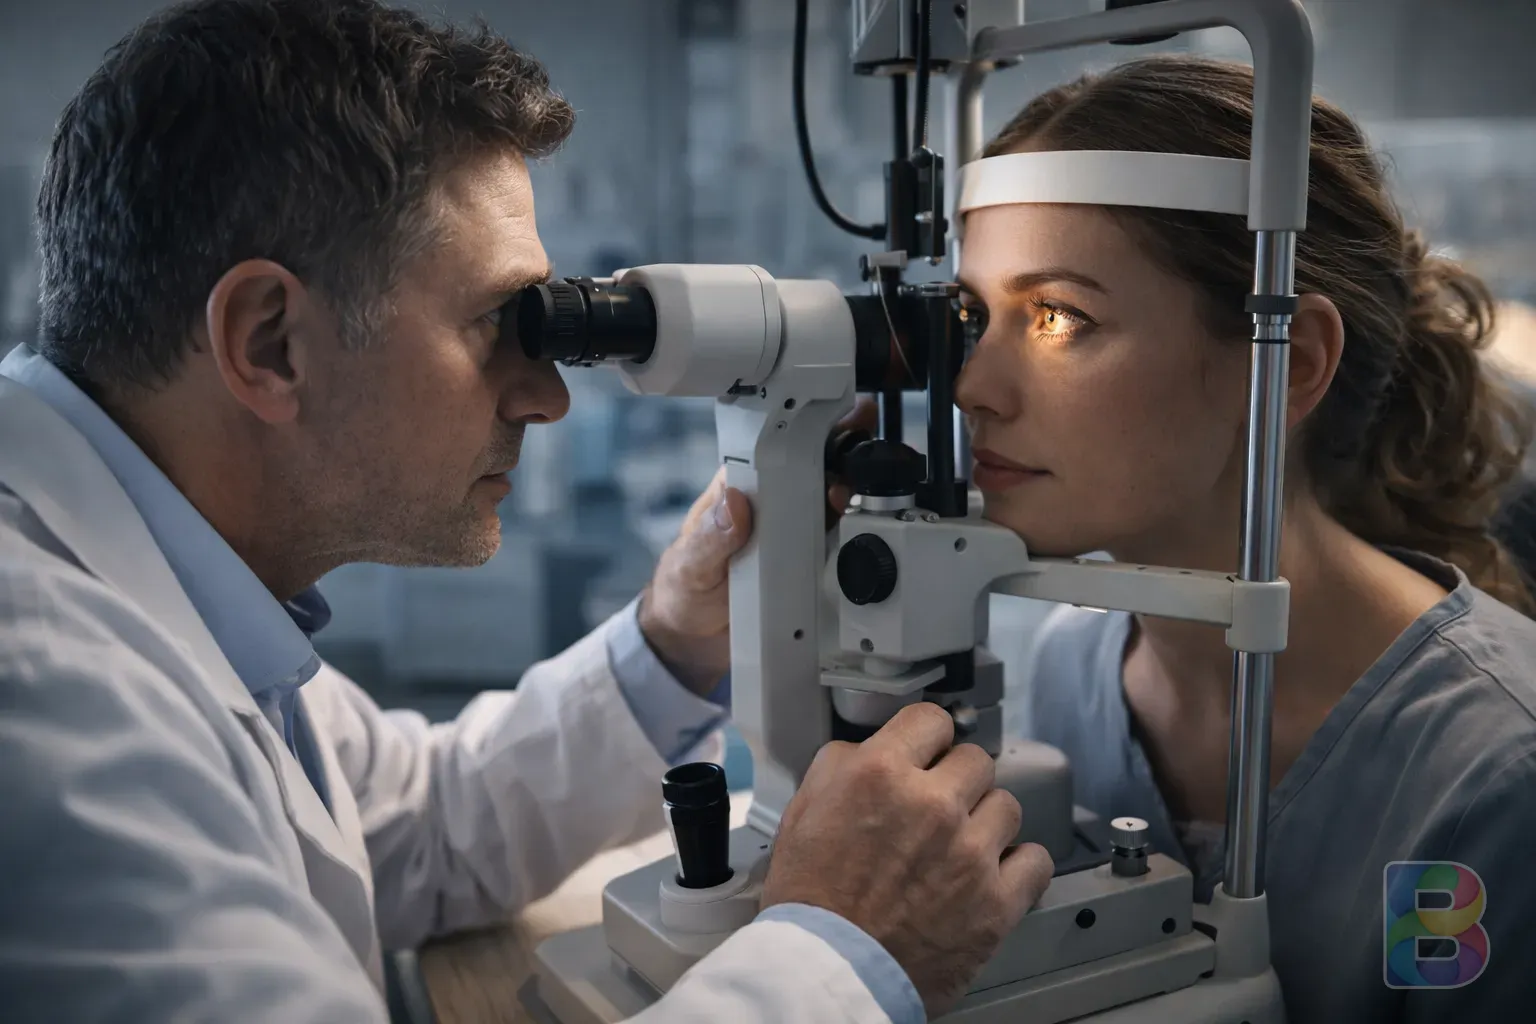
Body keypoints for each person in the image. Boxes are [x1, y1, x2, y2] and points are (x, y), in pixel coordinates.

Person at [0, 2, 1055, 1022]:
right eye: (497, 325)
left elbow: (423, 828)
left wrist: (675, 639)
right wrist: (843, 951)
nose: (547, 395)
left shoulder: (173, 589)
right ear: (271, 342)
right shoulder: (51, 709)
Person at [960, 56, 1536, 1022]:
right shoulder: (1068, 674)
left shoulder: (1494, 779)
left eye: (1058, 315)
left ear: (1288, 364)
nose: (974, 386)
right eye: (973, 319)